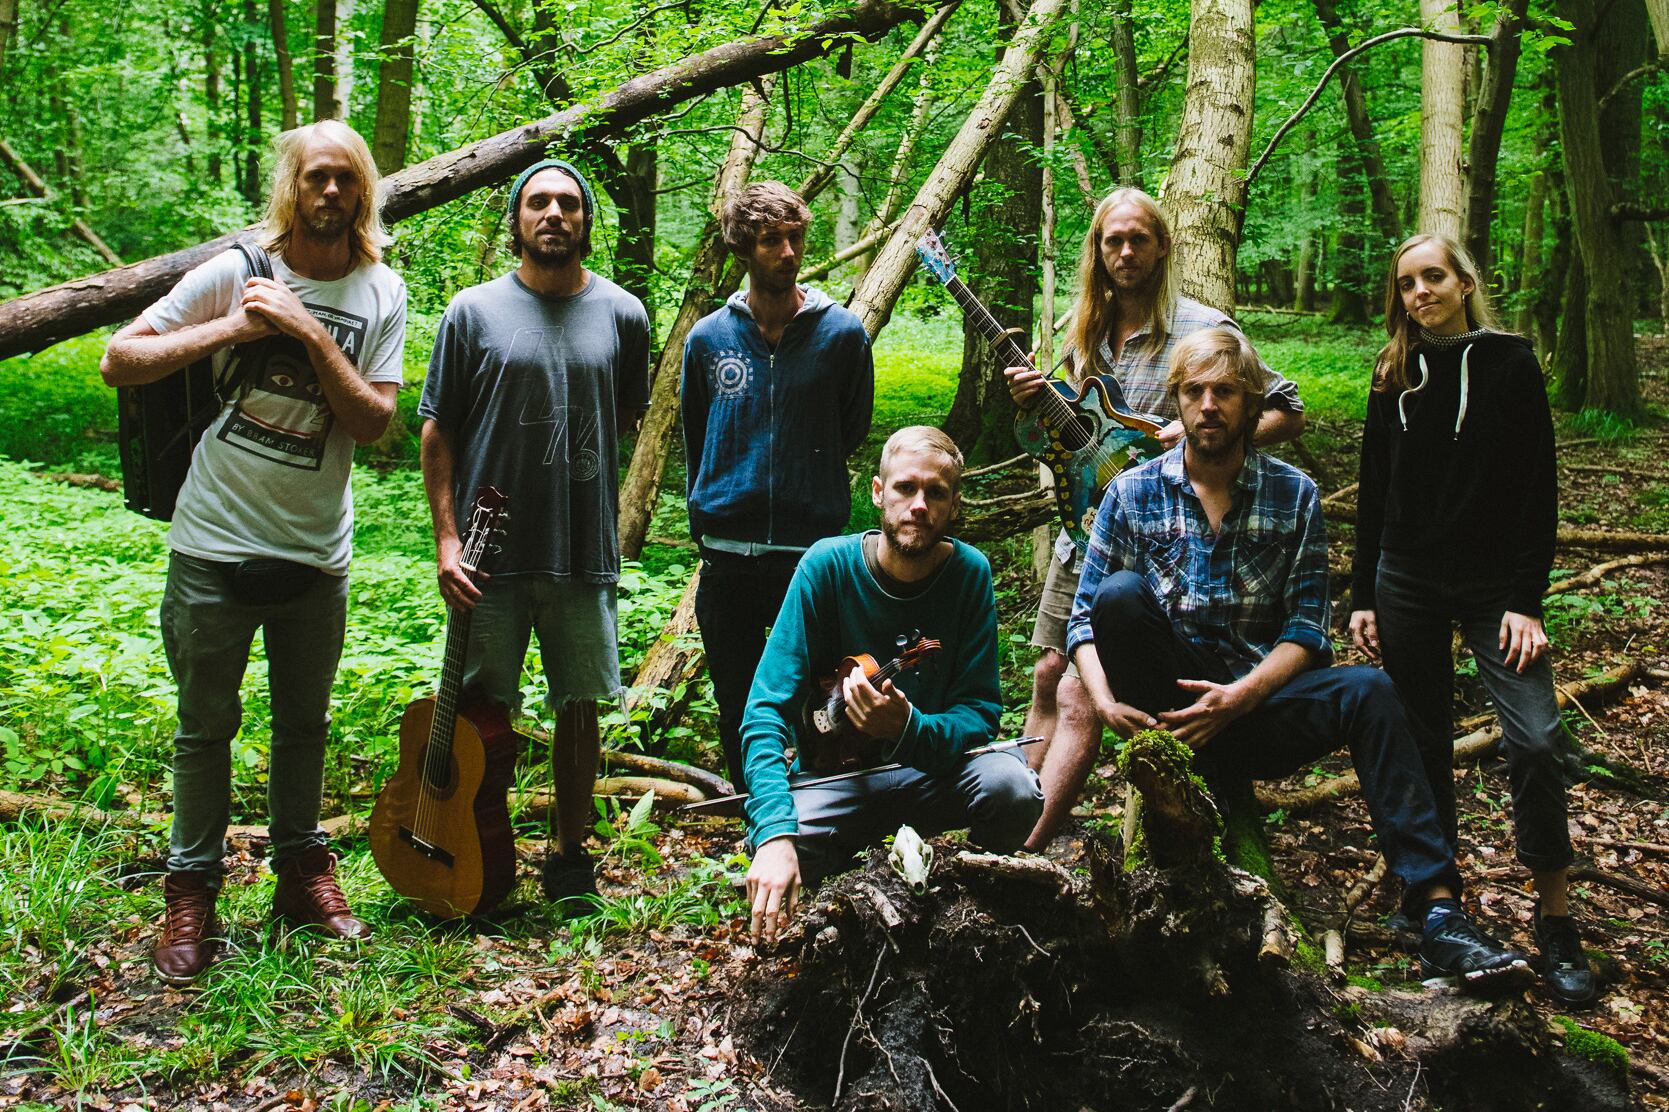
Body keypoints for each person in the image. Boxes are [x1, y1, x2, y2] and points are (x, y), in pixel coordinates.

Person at [1071, 327, 1532, 989]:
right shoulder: (1130, 492)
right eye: (1194, 392)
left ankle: (1436, 910)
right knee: (1118, 594)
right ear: (1176, 401)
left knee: (1371, 691)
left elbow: (1308, 629)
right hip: (1167, 712)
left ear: (1251, 404)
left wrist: (1239, 698)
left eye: (1224, 392)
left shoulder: (1295, 495)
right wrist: (1104, 701)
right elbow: (1083, 619)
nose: (1208, 406)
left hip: (1258, 706)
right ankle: (1196, 772)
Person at [101, 120, 407, 983]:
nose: (331, 192)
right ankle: (191, 890)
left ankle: (300, 874)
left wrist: (311, 335)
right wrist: (232, 329)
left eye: (346, 178)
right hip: (213, 545)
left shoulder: (382, 291)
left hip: (315, 554)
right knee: (204, 729)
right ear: (292, 186)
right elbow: (120, 359)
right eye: (316, 177)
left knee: (304, 726)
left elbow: (375, 423)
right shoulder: (238, 269)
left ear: (364, 190)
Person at [1004, 188, 1305, 851]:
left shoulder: (1203, 327)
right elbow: (1071, 436)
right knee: (1049, 673)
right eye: (1112, 240)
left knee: (1084, 688)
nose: (1125, 252)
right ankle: (1008, 810)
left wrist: (1202, 434)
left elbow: (1287, 408)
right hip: (1086, 531)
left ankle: (1033, 843)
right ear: (1097, 249)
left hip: (1167, 546)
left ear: (1162, 245)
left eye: (1138, 238)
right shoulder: (1083, 331)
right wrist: (1032, 402)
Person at [1349, 234, 1596, 1005]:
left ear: (1463, 282)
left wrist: (1526, 598)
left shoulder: (1509, 363)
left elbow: (1537, 486)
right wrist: (1361, 596)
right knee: (1420, 739)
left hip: (1495, 588)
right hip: (1406, 578)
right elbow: (1373, 488)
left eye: (1433, 277)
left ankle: (1555, 918)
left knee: (1535, 737)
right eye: (1406, 283)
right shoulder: (1391, 373)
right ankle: (1436, 906)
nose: (1419, 292)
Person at [418, 158, 650, 911]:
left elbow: (623, 413)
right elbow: (437, 429)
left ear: (586, 222)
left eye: (568, 203)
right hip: (486, 554)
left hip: (581, 547)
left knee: (579, 705)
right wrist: (446, 541)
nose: (554, 213)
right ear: (517, 219)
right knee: (481, 710)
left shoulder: (623, 314)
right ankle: (477, 848)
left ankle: (569, 855)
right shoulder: (472, 312)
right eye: (538, 202)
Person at [741, 427, 1043, 943]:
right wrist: (773, 831)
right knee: (783, 839)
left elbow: (979, 713)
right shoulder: (826, 567)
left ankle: (972, 905)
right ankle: (846, 901)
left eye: (936, 493)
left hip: (933, 776)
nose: (919, 505)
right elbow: (765, 710)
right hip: (839, 782)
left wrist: (906, 728)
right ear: (879, 492)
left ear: (954, 506)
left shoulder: (969, 573)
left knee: (1013, 787)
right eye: (905, 487)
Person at [682, 181, 875, 789]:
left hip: (808, 557)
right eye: (771, 240)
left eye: (795, 237)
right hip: (728, 558)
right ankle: (754, 813)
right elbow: (697, 435)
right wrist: (714, 506)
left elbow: (850, 428)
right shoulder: (708, 339)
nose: (788, 252)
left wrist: (804, 481)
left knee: (820, 703)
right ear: (744, 248)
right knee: (737, 701)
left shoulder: (842, 335)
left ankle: (818, 814)